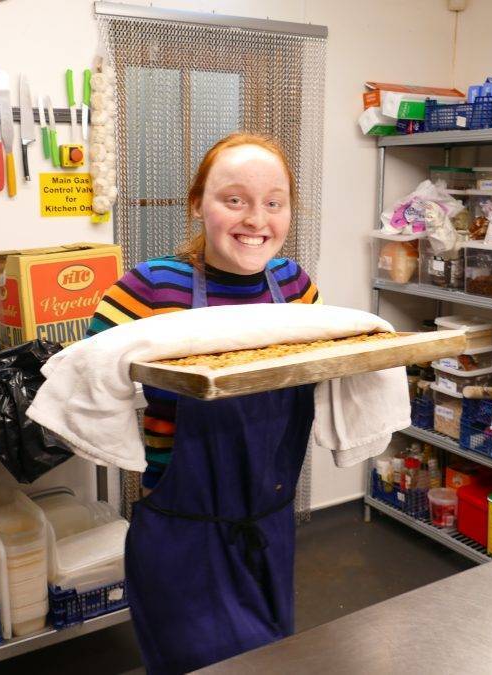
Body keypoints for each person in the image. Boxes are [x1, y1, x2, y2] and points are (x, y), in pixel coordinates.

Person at [85, 132, 320, 673]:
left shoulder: (298, 289)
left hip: (270, 526)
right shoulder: (149, 290)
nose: (255, 219)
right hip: (183, 535)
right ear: (197, 205)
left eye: (273, 202)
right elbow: (86, 383)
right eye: (233, 199)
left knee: (273, 660)